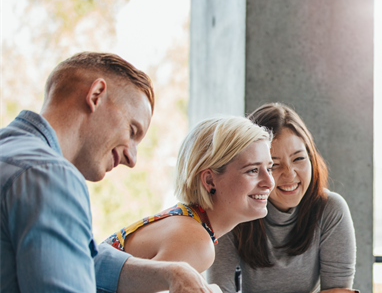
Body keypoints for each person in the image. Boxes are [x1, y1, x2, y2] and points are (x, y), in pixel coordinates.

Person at [0, 52, 256, 293]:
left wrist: (171, 273)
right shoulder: (49, 176)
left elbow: (81, 262)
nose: (133, 158)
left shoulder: (12, 156)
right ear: (96, 96)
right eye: (132, 131)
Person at [208, 103, 358, 293]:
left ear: (312, 158)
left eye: (299, 158)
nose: (289, 174)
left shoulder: (330, 209)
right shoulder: (232, 209)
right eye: (274, 165)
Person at [103, 116, 275, 274]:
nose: (270, 182)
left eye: (269, 169)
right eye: (252, 170)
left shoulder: (188, 222)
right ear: (209, 180)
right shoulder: (195, 242)